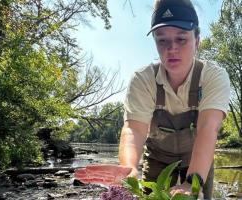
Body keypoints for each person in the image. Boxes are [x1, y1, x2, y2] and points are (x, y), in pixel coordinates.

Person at [75, 0, 231, 199]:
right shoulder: (142, 79)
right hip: (157, 158)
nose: (171, 49)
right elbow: (134, 130)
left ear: (197, 41)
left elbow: (208, 128)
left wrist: (193, 183)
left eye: (181, 39)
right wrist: (129, 168)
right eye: (162, 40)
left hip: (198, 157)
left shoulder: (213, 76)